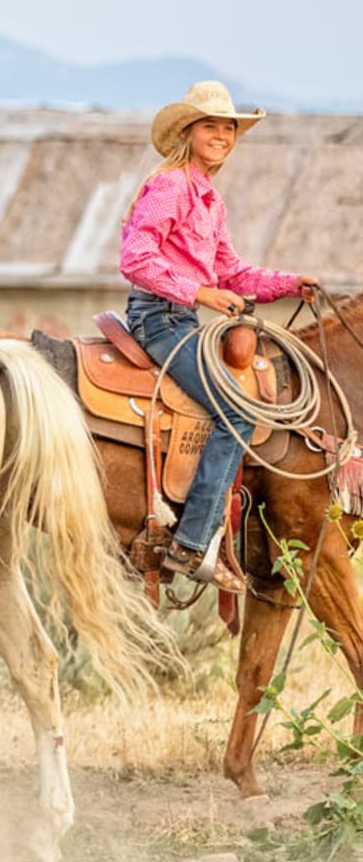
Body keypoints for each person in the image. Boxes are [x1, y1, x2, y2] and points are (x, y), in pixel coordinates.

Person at [120, 80, 318, 592]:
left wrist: (286, 283)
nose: (223, 135)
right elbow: (136, 260)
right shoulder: (170, 186)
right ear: (189, 131)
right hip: (159, 317)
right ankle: (193, 541)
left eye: (229, 127)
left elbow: (230, 270)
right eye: (211, 125)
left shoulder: (209, 199)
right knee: (237, 407)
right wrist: (202, 295)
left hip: (183, 319)